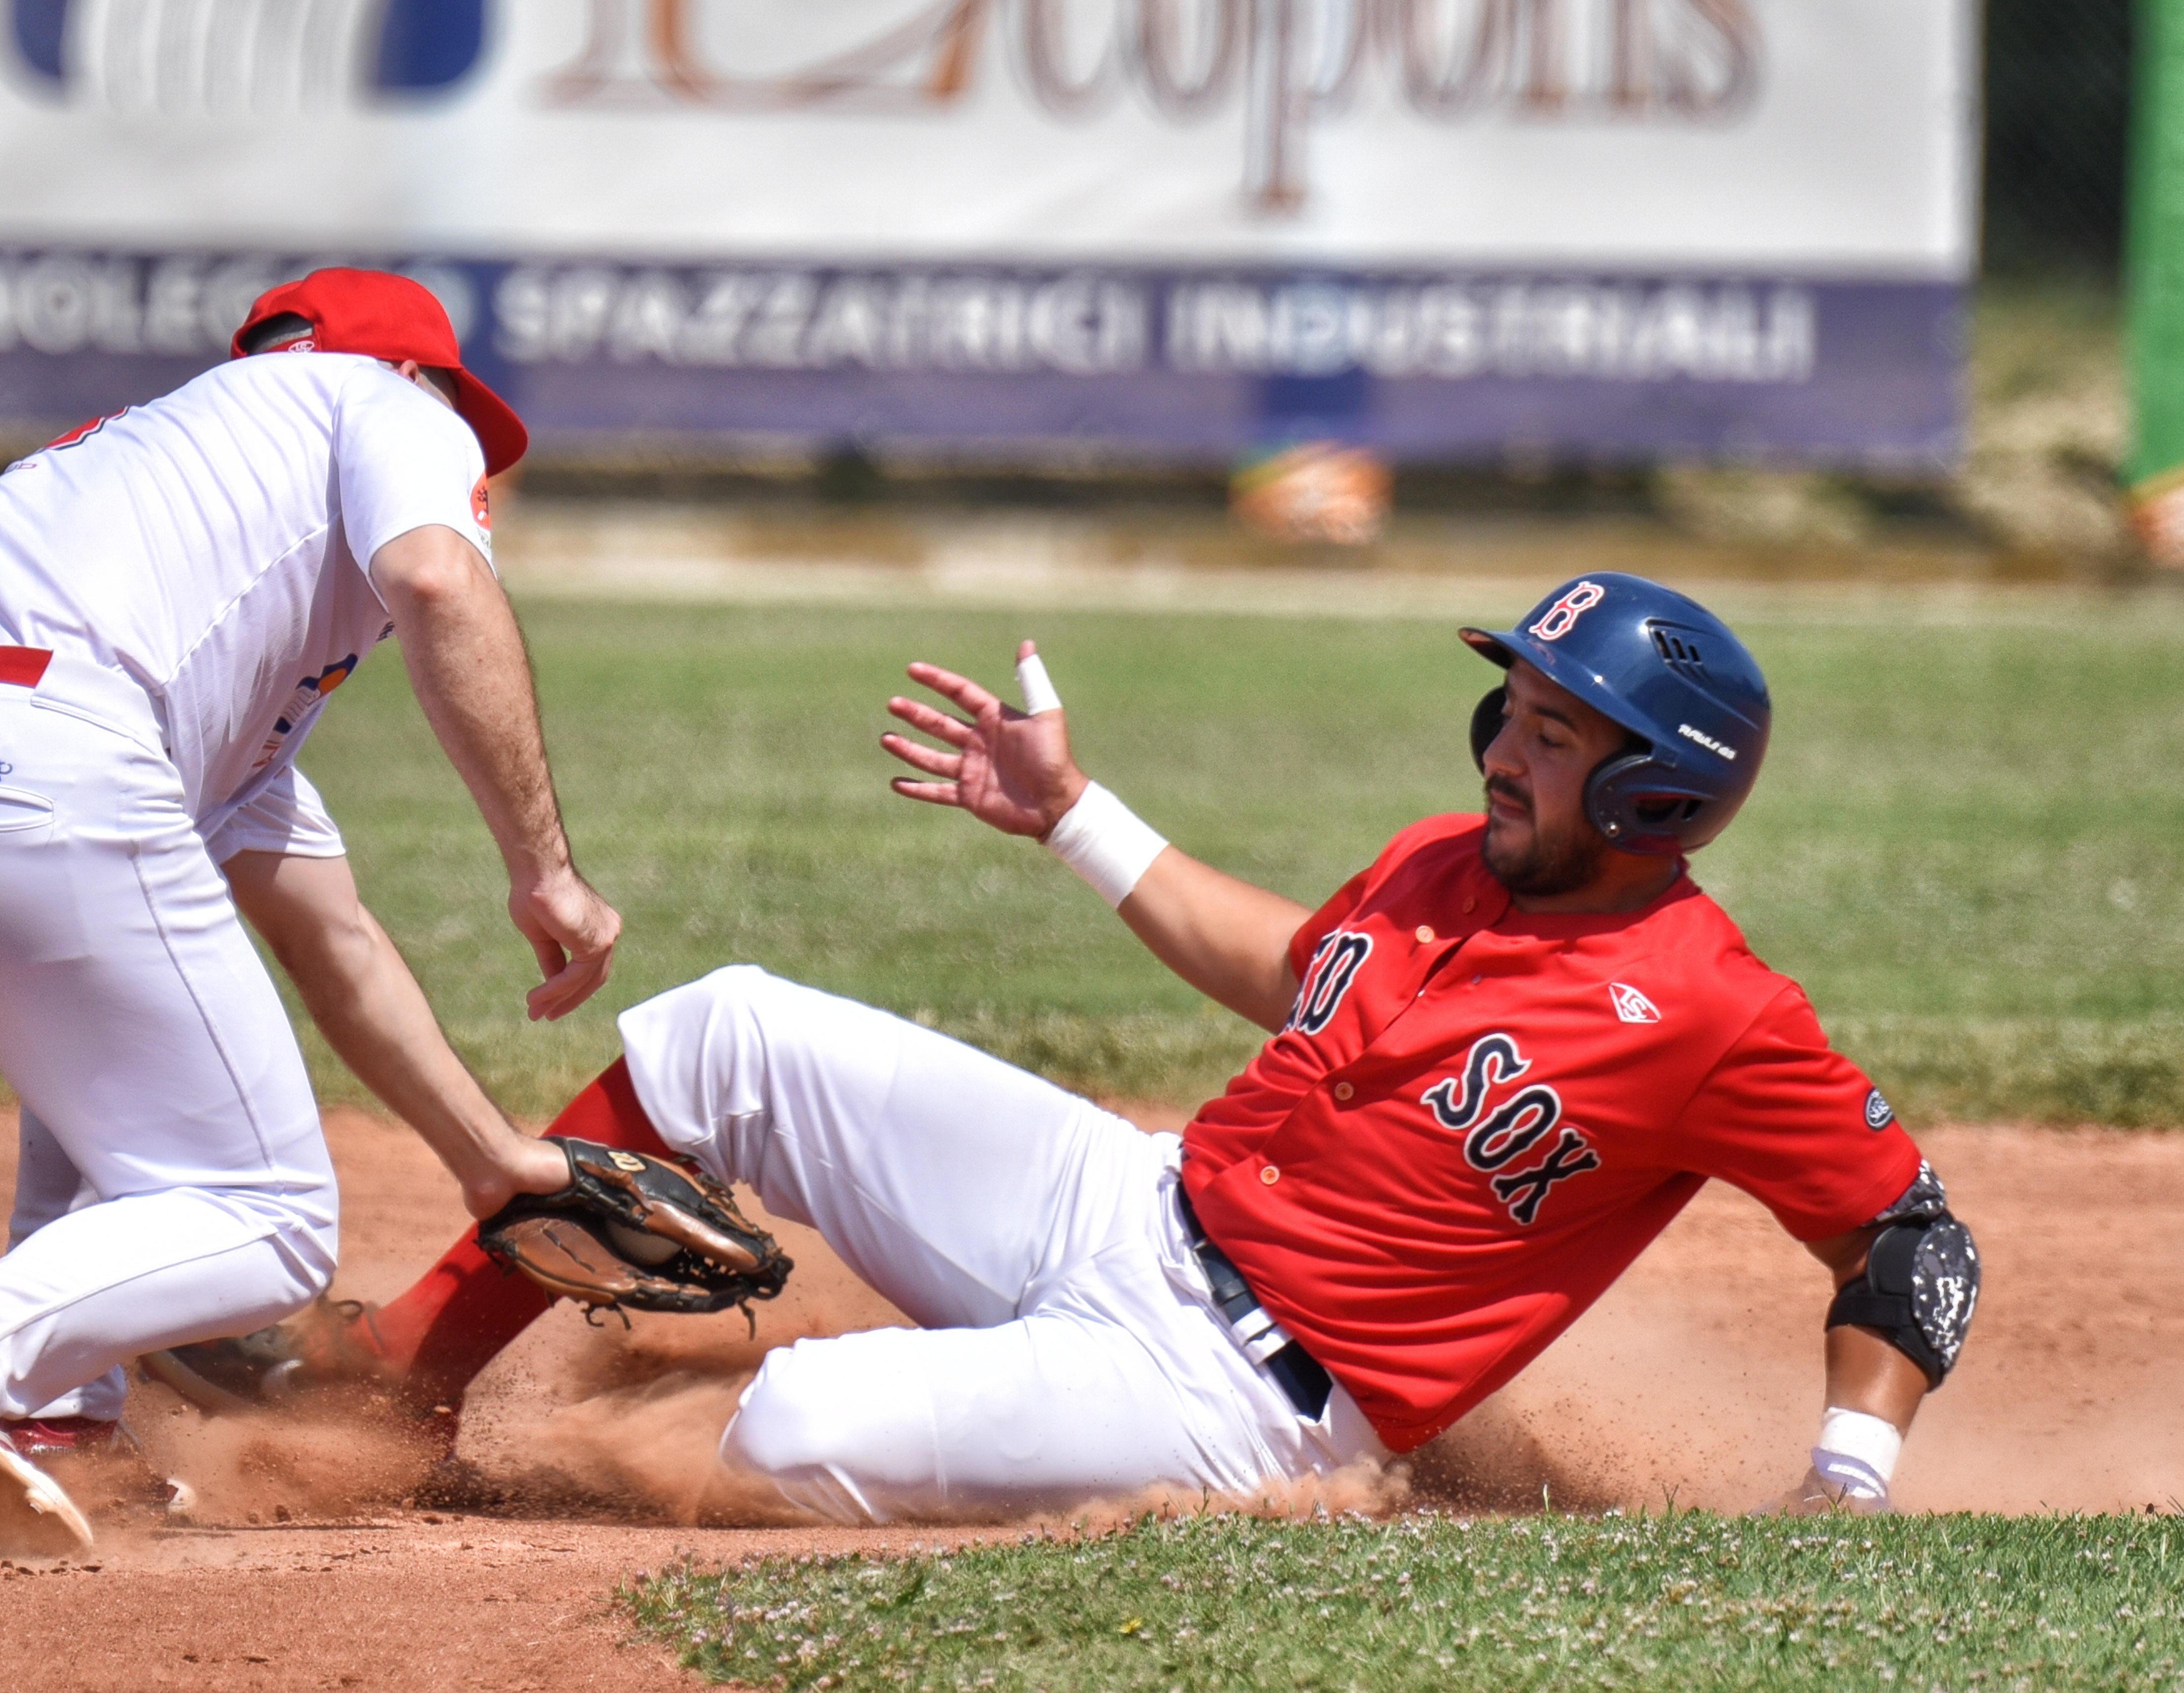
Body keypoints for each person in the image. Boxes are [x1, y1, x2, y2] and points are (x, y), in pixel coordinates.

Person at [160, 574, 1978, 1523]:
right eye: (1516, 701)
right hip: (1132, 1202)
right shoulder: (1451, 864)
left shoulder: (1719, 1013)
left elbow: (1914, 1242)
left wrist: (1848, 1476)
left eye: (1566, 731)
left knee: (788, 1425)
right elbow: (1304, 973)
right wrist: (1076, 818)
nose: (1509, 742)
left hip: (1244, 1399)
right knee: (728, 1036)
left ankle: (885, 1405)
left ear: (1660, 792)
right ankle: (402, 1372)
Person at [0, 268, 608, 1554]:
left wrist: (493, 1162)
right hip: (25, 755)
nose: (470, 480)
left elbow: (339, 945)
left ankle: (55, 1411)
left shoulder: (182, 587)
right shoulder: (378, 399)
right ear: (413, 376)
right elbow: (440, 581)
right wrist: (543, 864)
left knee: (117, 1050)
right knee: (267, 1217)